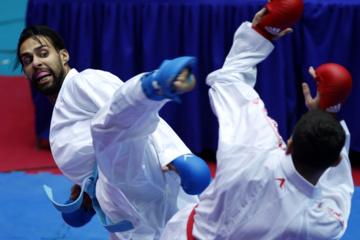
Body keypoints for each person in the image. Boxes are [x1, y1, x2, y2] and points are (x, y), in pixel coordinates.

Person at [160, 0, 354, 239]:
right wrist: (327, 112)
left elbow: (228, 81)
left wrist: (261, 32)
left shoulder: (251, 144)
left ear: (290, 145)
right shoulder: (321, 222)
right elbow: (339, 192)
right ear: (335, 161)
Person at [15, 25, 211, 239]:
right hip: (125, 218)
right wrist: (87, 192)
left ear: (63, 56)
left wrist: (174, 153)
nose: (36, 62)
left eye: (43, 53)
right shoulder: (61, 116)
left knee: (106, 131)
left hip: (143, 177)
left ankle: (154, 84)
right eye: (27, 61)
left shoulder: (85, 82)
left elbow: (127, 119)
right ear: (25, 74)